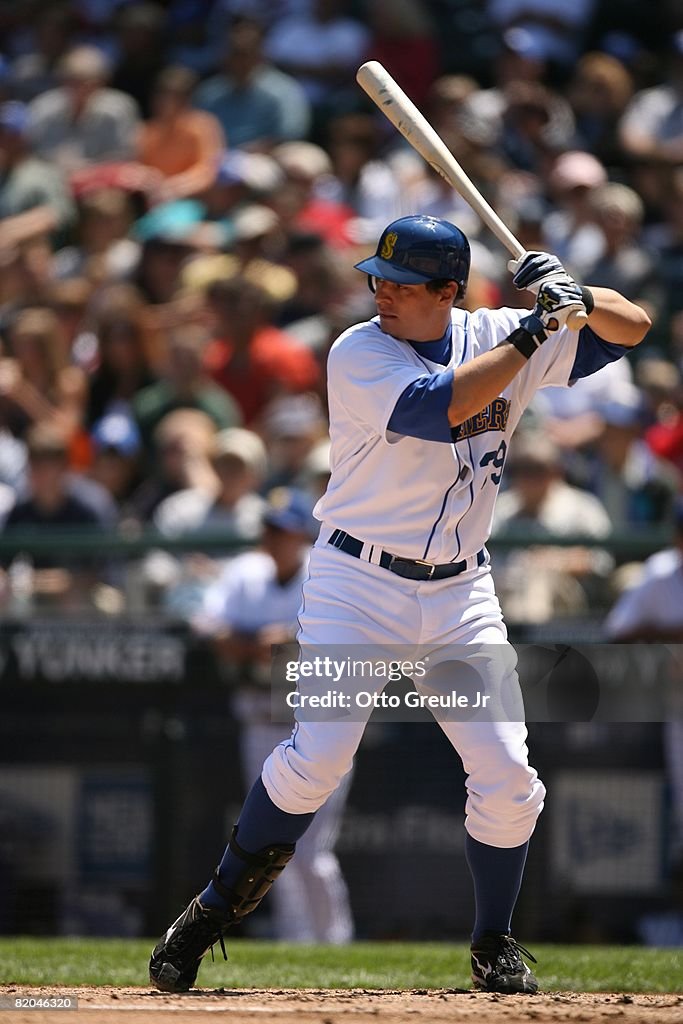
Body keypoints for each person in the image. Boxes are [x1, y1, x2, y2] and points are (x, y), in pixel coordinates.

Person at [149, 215, 650, 994]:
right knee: (316, 760)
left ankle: (493, 942)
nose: (381, 293)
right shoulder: (359, 350)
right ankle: (210, 912)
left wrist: (575, 292)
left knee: (509, 776)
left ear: (447, 291)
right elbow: (436, 408)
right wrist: (532, 332)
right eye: (377, 279)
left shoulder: (494, 326)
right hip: (359, 585)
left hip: (458, 591)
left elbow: (633, 326)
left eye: (402, 285)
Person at [193, 487, 354, 942]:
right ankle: (296, 941)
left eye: (284, 531)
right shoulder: (245, 571)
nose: (274, 539)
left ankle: (334, 943)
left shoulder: (324, 570)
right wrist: (254, 644)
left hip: (317, 729)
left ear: (303, 535)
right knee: (270, 847)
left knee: (311, 852)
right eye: (269, 529)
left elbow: (313, 642)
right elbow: (204, 622)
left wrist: (273, 644)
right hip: (258, 723)